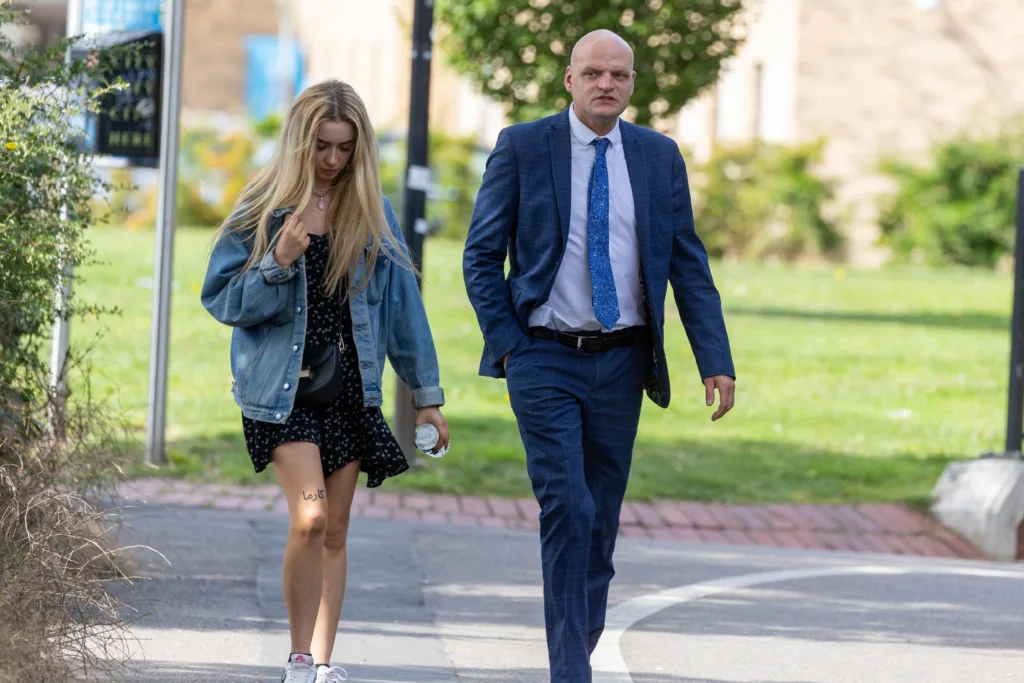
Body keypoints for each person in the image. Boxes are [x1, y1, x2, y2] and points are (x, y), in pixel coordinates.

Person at [463, 29, 736, 682]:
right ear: (569, 79)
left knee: (600, 527)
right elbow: (480, 256)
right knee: (570, 507)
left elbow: (688, 265)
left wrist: (714, 359)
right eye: (593, 73)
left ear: (632, 83)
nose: (606, 83)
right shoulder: (524, 147)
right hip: (544, 356)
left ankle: (572, 656)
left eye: (618, 74)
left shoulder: (658, 156)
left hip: (622, 362)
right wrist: (511, 346)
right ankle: (570, 673)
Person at [201, 79, 449, 683]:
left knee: (335, 530)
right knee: (309, 519)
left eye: (345, 147)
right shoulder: (260, 208)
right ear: (299, 143)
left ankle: (325, 665)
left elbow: (404, 311)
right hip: (280, 391)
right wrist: (278, 262)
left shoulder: (372, 213)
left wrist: (427, 399)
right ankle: (298, 658)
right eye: (322, 147)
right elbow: (224, 302)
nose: (334, 160)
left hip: (350, 391)